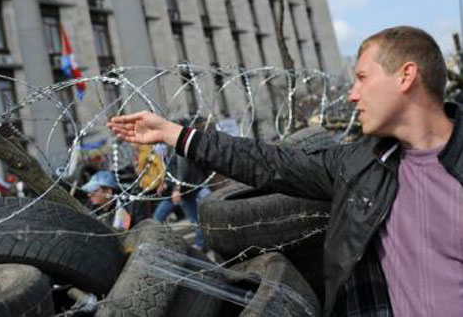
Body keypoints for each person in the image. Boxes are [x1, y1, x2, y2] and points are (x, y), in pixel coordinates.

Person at [107, 26, 463, 317]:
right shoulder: (361, 166)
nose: (352, 94)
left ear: (406, 76)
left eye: (362, 78)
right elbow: (268, 163)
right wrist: (172, 133)